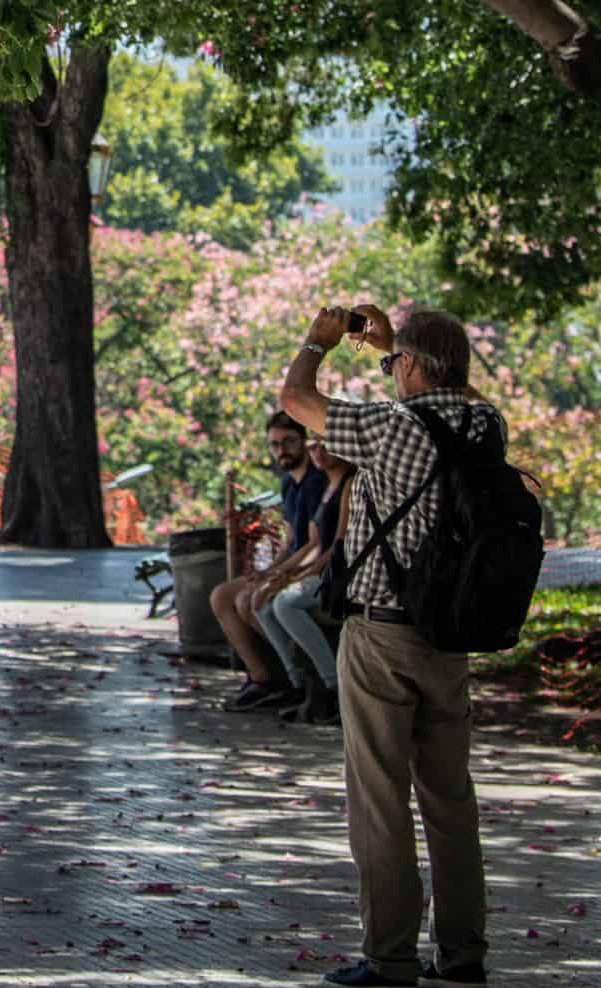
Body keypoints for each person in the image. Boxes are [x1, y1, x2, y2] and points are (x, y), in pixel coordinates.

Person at [281, 304, 499, 988]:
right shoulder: (485, 423)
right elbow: (455, 395)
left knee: (380, 798)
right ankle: (463, 954)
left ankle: (389, 957)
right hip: (450, 636)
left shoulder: (389, 426)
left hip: (382, 632)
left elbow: (295, 401)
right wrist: (396, 345)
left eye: (392, 362)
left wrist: (318, 344)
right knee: (450, 800)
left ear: (407, 366)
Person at [210, 411, 330, 712]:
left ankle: (296, 676)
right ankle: (262, 677)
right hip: (289, 565)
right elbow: (290, 540)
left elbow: (317, 545)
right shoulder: (289, 484)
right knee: (221, 596)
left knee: (248, 599)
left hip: (310, 569)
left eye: (288, 442)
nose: (281, 451)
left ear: (303, 441)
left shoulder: (317, 480)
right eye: (275, 445)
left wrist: (277, 576)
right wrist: (269, 569)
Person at [254, 438, 353, 726]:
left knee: (286, 602)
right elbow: (312, 543)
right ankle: (296, 681)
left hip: (340, 574)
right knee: (264, 603)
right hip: (318, 570)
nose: (317, 452)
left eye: (324, 445)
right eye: (312, 447)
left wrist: (297, 578)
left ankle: (333, 685)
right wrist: (278, 574)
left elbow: (338, 546)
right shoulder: (323, 486)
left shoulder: (350, 483)